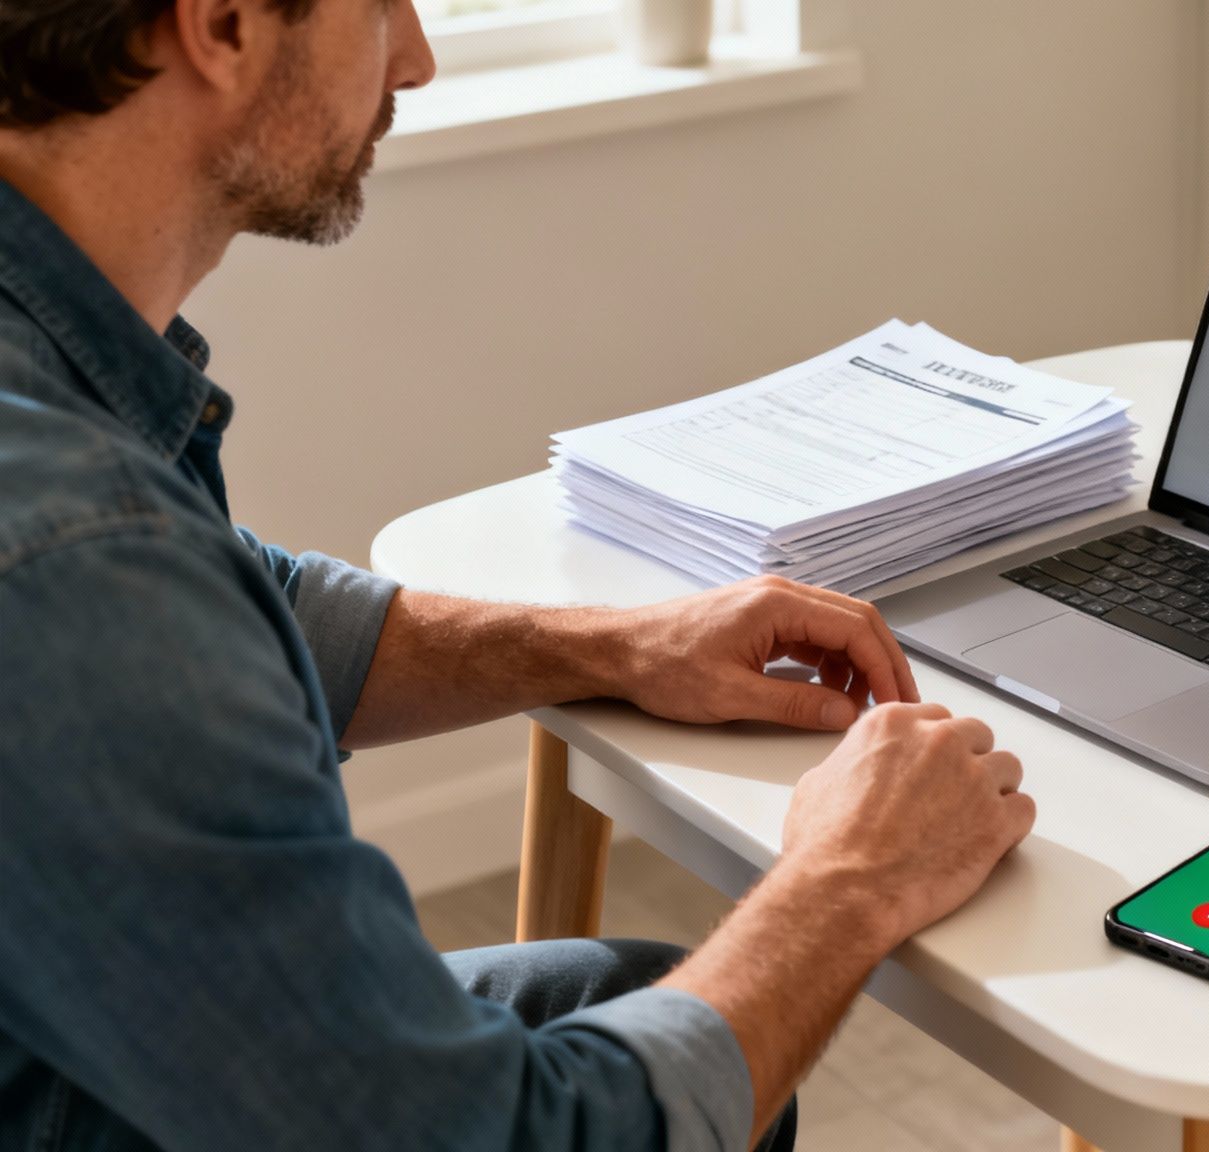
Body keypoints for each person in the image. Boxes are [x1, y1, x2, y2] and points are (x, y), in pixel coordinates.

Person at [0, 1, 1037, 1149]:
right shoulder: (71, 555)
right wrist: (851, 880)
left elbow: (239, 605)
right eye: (382, 5)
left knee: (623, 995)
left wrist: (614, 645)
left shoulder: (56, 416)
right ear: (226, 23)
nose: (418, 56)